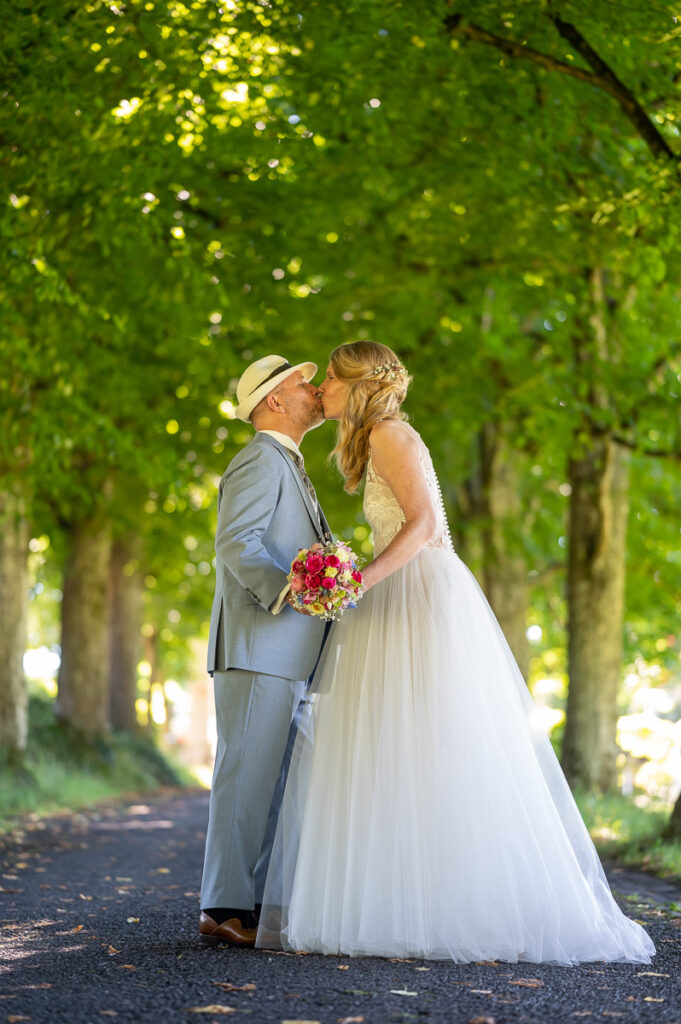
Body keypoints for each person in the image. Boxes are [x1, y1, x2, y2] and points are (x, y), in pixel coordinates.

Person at [256, 340, 655, 965]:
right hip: (392, 592)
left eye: (332, 377)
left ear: (360, 385)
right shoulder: (372, 440)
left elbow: (423, 526)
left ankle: (454, 903)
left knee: (431, 741)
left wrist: (357, 579)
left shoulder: (391, 435)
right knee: (390, 747)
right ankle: (392, 901)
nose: (323, 387)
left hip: (417, 594)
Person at [199, 354, 331, 947]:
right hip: (258, 646)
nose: (315, 390)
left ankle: (248, 905)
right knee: (246, 779)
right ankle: (224, 909)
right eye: (303, 384)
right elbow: (237, 542)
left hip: (285, 652)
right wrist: (291, 589)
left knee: (274, 785)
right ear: (274, 400)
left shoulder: (288, 463)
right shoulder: (259, 458)